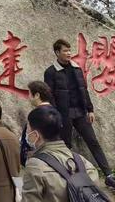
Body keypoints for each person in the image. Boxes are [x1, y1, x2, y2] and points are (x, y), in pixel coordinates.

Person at [44, 38, 115, 188]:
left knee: (93, 141)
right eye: (65, 51)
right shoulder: (50, 72)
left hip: (80, 112)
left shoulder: (76, 69)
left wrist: (90, 109)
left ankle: (108, 175)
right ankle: (68, 180)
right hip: (64, 114)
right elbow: (49, 96)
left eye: (70, 50)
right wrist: (56, 116)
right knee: (65, 146)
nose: (69, 53)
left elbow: (84, 90)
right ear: (57, 53)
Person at [22, 105, 100, 201]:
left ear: (35, 135)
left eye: (28, 128)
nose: (26, 133)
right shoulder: (84, 162)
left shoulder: (35, 166)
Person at [21, 81, 54, 166]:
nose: (28, 97)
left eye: (29, 94)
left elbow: (34, 138)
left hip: (38, 158)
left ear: (37, 95)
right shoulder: (55, 113)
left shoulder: (37, 114)